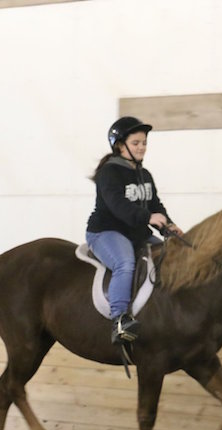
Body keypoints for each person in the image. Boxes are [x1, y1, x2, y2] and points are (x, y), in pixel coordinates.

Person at [86, 116, 183, 344]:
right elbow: (119, 207)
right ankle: (120, 320)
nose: (142, 148)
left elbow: (155, 205)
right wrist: (149, 217)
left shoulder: (144, 174)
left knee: (170, 257)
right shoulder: (109, 173)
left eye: (144, 143)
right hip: (107, 232)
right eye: (136, 143)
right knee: (125, 263)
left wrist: (169, 226)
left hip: (136, 233)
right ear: (121, 146)